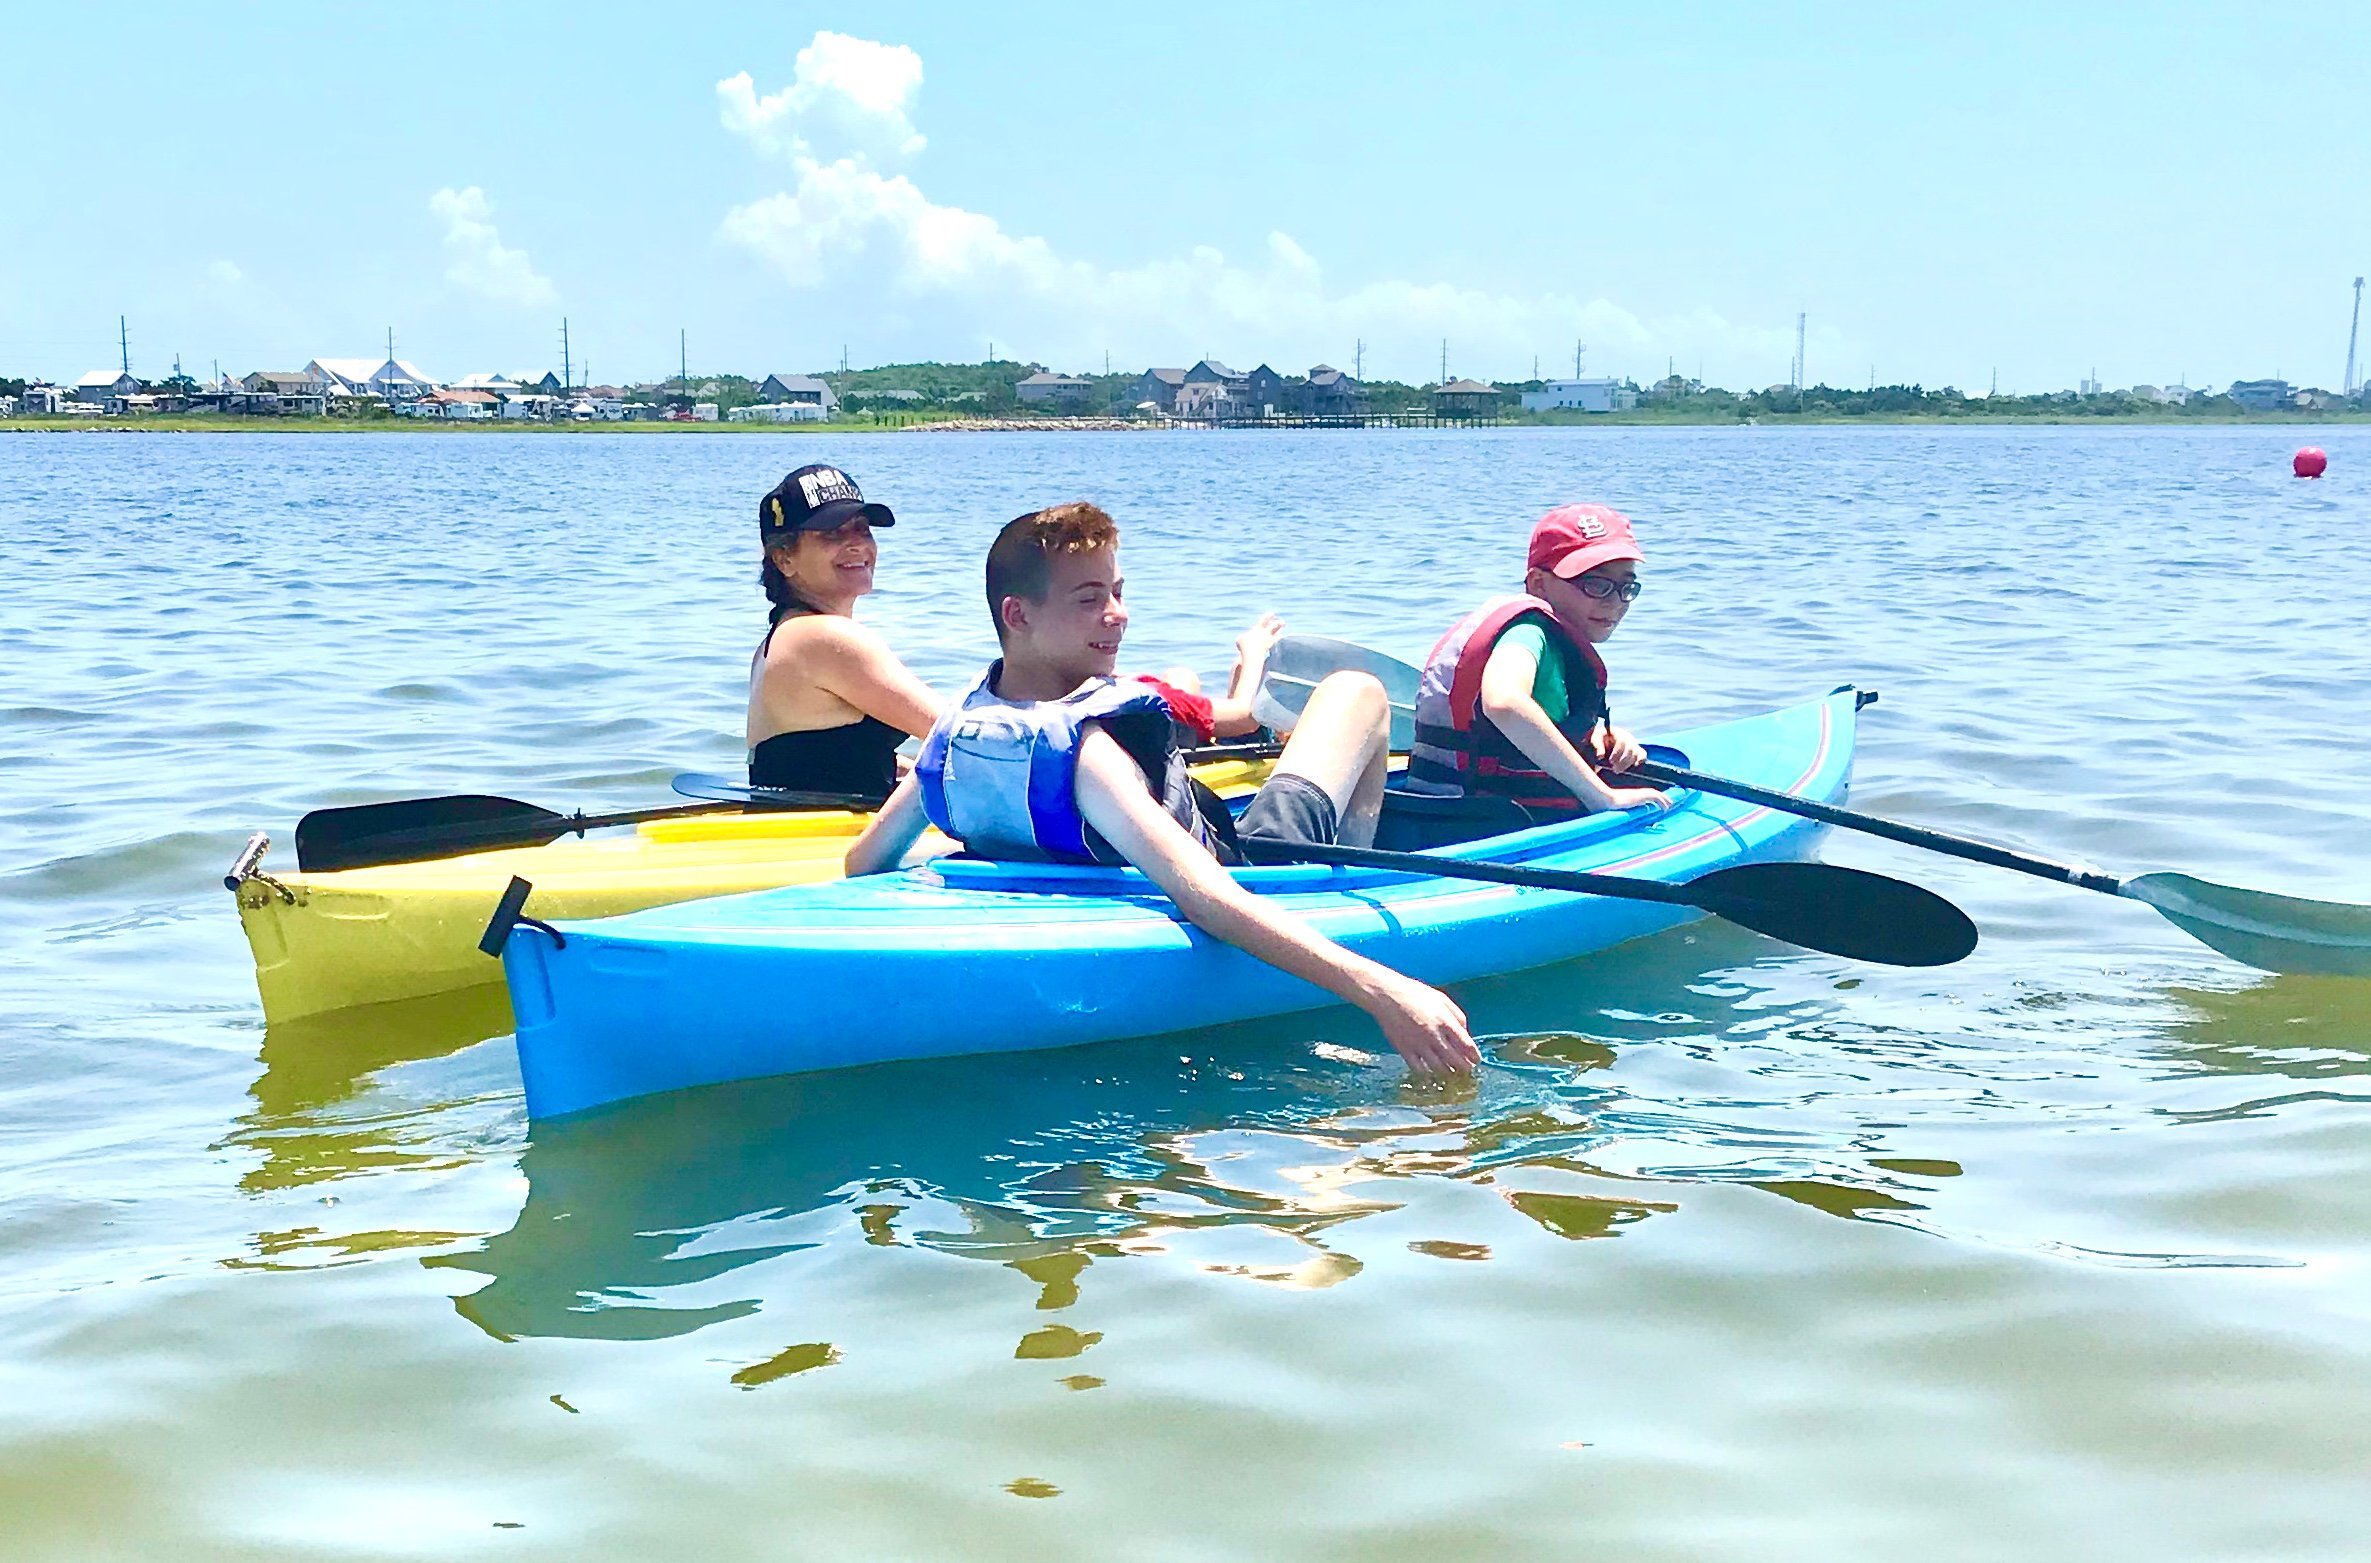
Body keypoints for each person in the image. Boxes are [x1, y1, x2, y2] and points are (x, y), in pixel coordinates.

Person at [845, 502, 1478, 1076]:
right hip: (1262, 869)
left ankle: (1340, 864)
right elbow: (1206, 898)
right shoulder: (1090, 753)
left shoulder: (955, 730)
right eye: (1089, 599)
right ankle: (1340, 884)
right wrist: (1386, 992)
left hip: (1127, 865)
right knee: (1356, 691)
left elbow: (864, 862)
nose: (1118, 615)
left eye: (1117, 592)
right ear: (1018, 614)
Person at [1403, 503, 1674, 819]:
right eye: (1596, 585)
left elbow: (1539, 717)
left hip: (1469, 813)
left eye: (1627, 587)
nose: (1614, 602)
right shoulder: (1528, 633)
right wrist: (1602, 797)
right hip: (1482, 821)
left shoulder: (1554, 643)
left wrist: (1592, 736)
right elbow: (1504, 702)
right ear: (1539, 584)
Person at [746, 464, 941, 801]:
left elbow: (817, 760)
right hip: (821, 840)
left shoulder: (780, 638)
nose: (856, 545)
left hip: (798, 826)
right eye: (832, 534)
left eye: (862, 529)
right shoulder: (823, 638)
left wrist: (908, 772)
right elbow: (957, 734)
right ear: (784, 559)